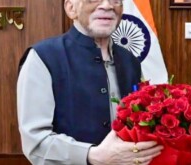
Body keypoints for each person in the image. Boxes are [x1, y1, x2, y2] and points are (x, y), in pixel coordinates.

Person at [17, 0, 163, 164]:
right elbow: (36, 142)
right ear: (71, 8)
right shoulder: (43, 57)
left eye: (115, 0)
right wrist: (93, 155)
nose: (107, 6)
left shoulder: (131, 62)